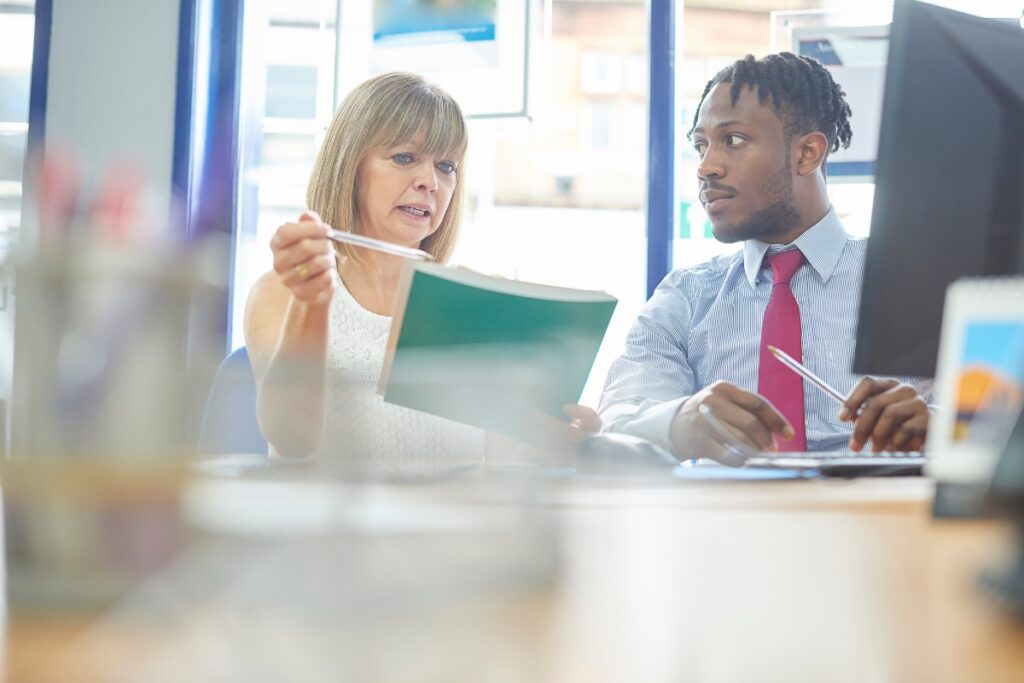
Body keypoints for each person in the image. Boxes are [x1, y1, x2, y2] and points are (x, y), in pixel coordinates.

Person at [244, 72, 597, 468]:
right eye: (404, 158)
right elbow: (292, 439)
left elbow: (501, 462)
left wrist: (551, 442)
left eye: (446, 166)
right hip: (330, 527)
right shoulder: (281, 292)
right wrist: (312, 303)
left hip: (449, 526)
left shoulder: (476, 303)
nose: (429, 182)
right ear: (349, 166)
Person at [599, 53, 931, 459]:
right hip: (728, 520)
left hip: (880, 517)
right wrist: (679, 419)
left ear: (807, 153)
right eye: (700, 145)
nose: (706, 167)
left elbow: (996, 416)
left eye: (732, 140)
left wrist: (938, 423)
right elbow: (618, 418)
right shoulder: (685, 299)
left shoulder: (909, 281)